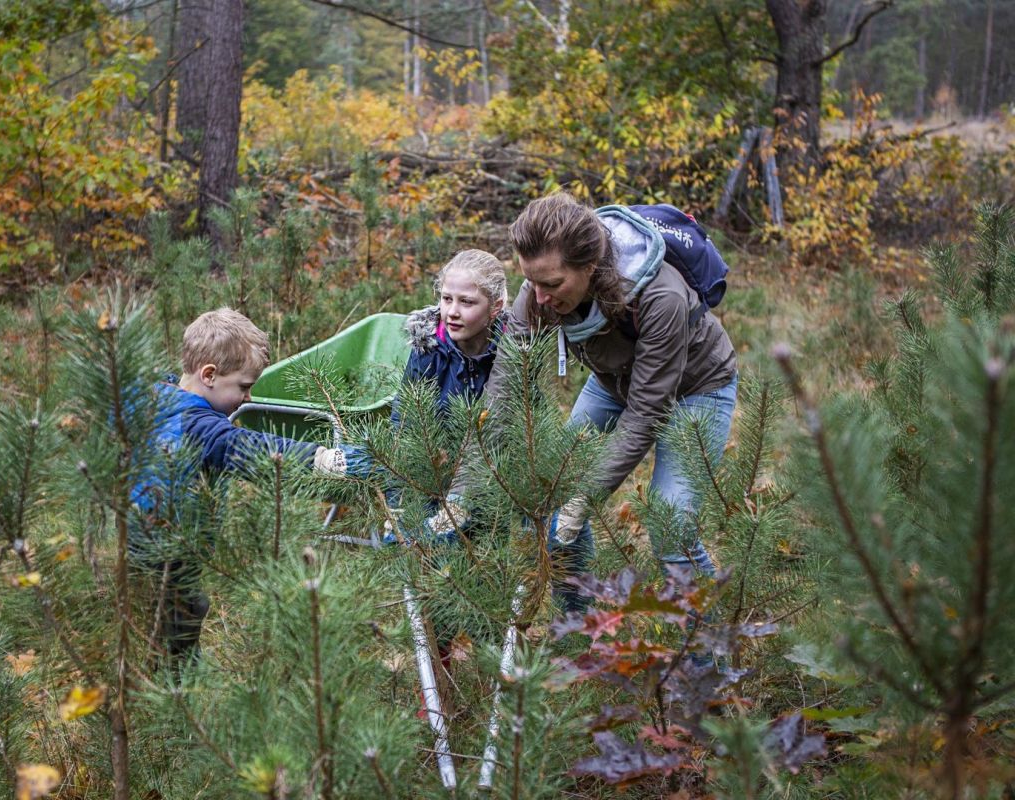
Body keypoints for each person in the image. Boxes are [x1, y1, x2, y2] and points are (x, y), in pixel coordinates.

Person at [427, 193, 738, 611]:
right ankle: (577, 628)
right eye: (530, 282)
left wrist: (584, 497)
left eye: (552, 285)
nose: (537, 297)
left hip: (697, 389)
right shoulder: (539, 289)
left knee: (670, 529)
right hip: (614, 382)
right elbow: (504, 386)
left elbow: (646, 413)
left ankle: (712, 652)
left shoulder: (660, 296)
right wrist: (463, 489)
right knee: (555, 486)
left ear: (590, 266)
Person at [131, 308, 367, 661]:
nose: (249, 398)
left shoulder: (156, 396)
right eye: (243, 386)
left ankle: (164, 670)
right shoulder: (197, 424)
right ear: (209, 374)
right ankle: (173, 687)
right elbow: (244, 449)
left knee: (167, 615)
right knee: (176, 621)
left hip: (139, 536)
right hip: (169, 548)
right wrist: (328, 460)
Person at [386, 249, 508, 542]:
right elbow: (405, 422)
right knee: (414, 541)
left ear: (496, 306)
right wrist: (400, 500)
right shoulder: (428, 347)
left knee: (471, 553)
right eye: (446, 298)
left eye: (466, 302)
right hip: (433, 466)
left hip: (488, 473)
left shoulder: (511, 353)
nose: (452, 311)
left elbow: (511, 433)